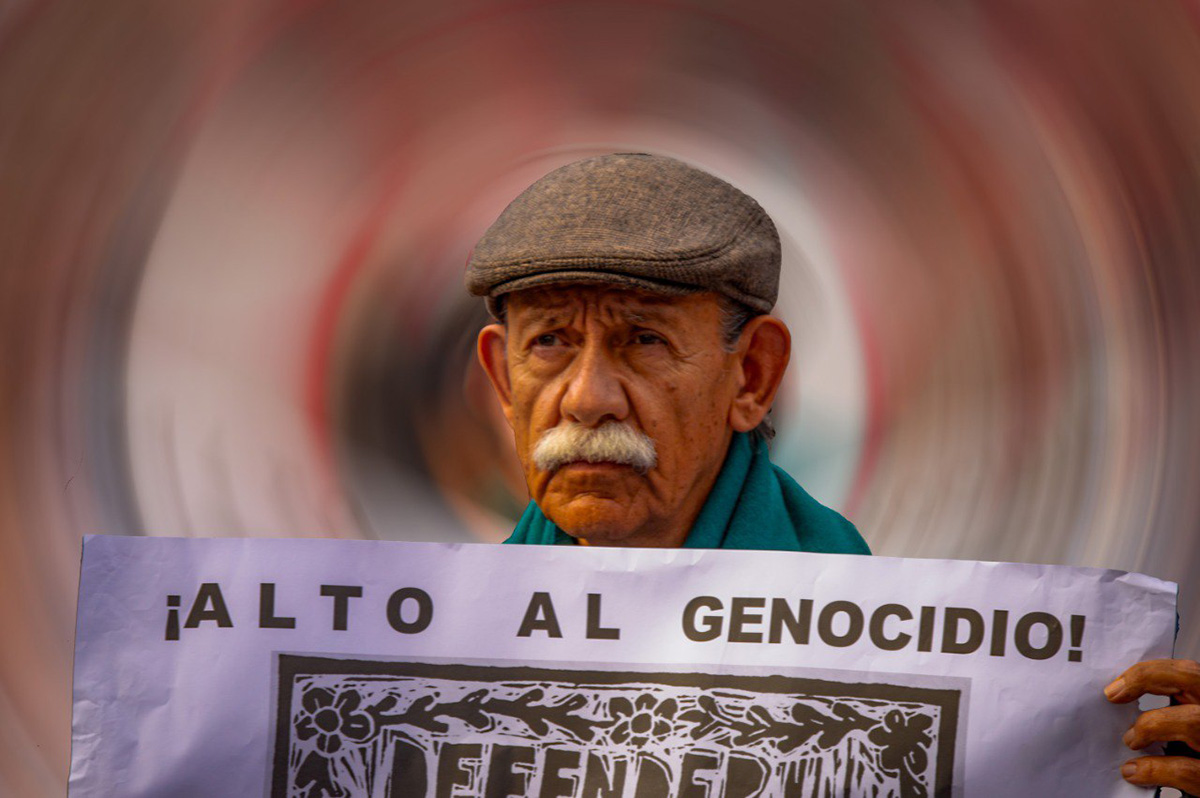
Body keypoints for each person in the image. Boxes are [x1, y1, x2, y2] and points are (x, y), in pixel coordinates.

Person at [466, 152, 1200, 794]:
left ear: (752, 376)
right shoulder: (441, 635)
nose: (586, 398)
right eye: (550, 342)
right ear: (502, 379)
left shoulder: (919, 660)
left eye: (644, 340)